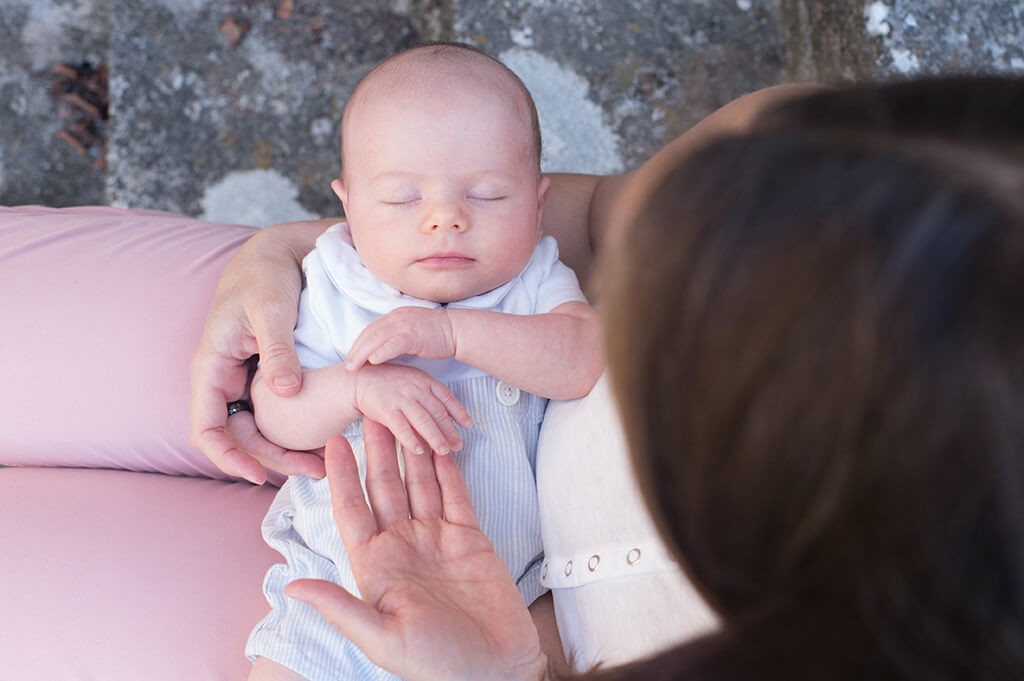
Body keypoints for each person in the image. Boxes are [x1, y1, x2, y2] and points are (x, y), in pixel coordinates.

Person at [279, 77, 1024, 680]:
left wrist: (504, 668)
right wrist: (284, 253)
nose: (617, 305)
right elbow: (599, 211)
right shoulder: (905, 179)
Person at [243, 42, 603, 681]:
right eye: (404, 200)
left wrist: (454, 333)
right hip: (339, 587)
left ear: (538, 203)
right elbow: (277, 409)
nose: (446, 219)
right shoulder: (333, 281)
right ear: (348, 206)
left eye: (489, 195)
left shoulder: (535, 278)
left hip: (509, 596)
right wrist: (357, 391)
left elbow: (583, 360)